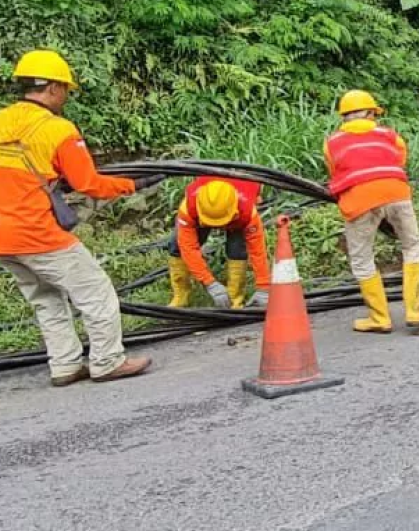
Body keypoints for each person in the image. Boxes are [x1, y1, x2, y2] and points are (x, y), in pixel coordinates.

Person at [0, 51, 160, 385]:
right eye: (66, 90)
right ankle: (107, 361)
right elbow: (90, 184)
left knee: (45, 299)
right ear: (55, 87)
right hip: (36, 233)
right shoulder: (59, 129)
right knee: (96, 292)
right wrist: (135, 183)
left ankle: (65, 366)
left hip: (5, 239)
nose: (66, 97)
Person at [325, 89, 419, 333]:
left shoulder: (332, 141)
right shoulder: (388, 134)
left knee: (362, 258)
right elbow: (400, 159)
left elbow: (334, 169)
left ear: (344, 116)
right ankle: (416, 311)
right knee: (412, 246)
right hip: (396, 192)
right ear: (370, 113)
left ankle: (379, 318)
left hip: (359, 199)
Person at [166, 177, 271, 309]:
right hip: (200, 216)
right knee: (176, 247)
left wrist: (264, 287)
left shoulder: (247, 211)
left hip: (237, 217)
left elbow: (257, 251)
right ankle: (180, 296)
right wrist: (210, 283)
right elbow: (188, 248)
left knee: (237, 250)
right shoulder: (189, 207)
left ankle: (234, 298)